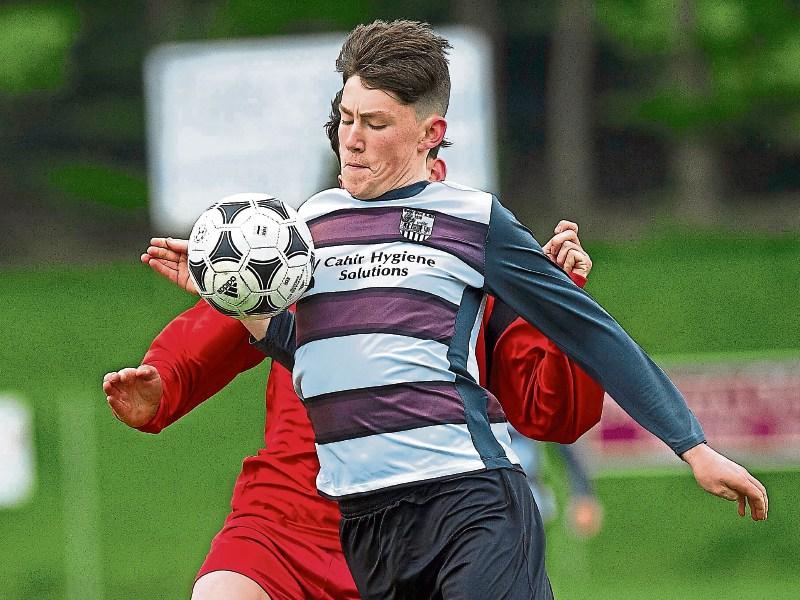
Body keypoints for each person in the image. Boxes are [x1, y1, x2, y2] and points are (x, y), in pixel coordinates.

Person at [220, 19, 767, 599]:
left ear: (431, 133)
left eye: (375, 124)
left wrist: (692, 445)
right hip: (366, 525)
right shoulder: (311, 226)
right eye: (345, 119)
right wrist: (248, 309)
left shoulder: (473, 220)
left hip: (468, 505)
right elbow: (320, 359)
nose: (351, 139)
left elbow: (591, 333)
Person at [106, 130, 604, 599]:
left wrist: (557, 312)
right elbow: (220, 327)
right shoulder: (295, 259)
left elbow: (553, 413)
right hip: (285, 520)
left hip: (419, 526)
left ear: (439, 175)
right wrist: (163, 381)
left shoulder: (471, 283)